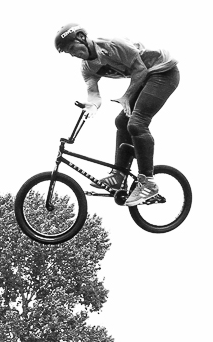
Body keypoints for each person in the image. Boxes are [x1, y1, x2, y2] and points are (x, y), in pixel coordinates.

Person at [54, 23, 180, 207]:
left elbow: (140, 69)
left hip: (163, 70)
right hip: (146, 78)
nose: (73, 54)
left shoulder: (113, 45)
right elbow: (93, 93)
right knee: (121, 122)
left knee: (136, 123)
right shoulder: (87, 67)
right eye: (69, 53)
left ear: (81, 37)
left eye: (72, 48)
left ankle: (148, 183)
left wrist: (127, 96)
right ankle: (119, 175)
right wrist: (92, 105)